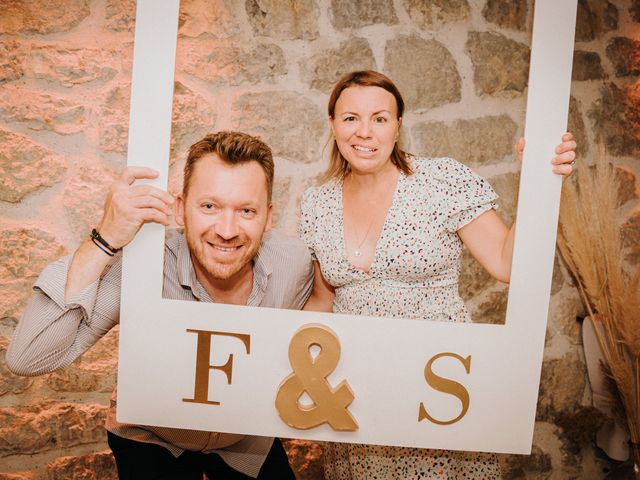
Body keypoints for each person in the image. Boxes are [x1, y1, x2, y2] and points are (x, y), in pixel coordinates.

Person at [299, 70, 576, 479]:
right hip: (357, 388)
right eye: (351, 118)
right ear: (333, 126)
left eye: (380, 118)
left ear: (398, 127)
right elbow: (322, 300)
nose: (365, 131)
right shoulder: (316, 202)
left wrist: (540, 181)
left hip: (437, 384)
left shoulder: (440, 181)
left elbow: (506, 263)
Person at [7, 131, 314, 480]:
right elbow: (28, 357)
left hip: (244, 442)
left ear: (268, 217)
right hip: (153, 436)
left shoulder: (294, 264)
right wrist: (105, 238)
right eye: (209, 206)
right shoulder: (146, 267)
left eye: (246, 210)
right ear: (181, 209)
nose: (227, 230)